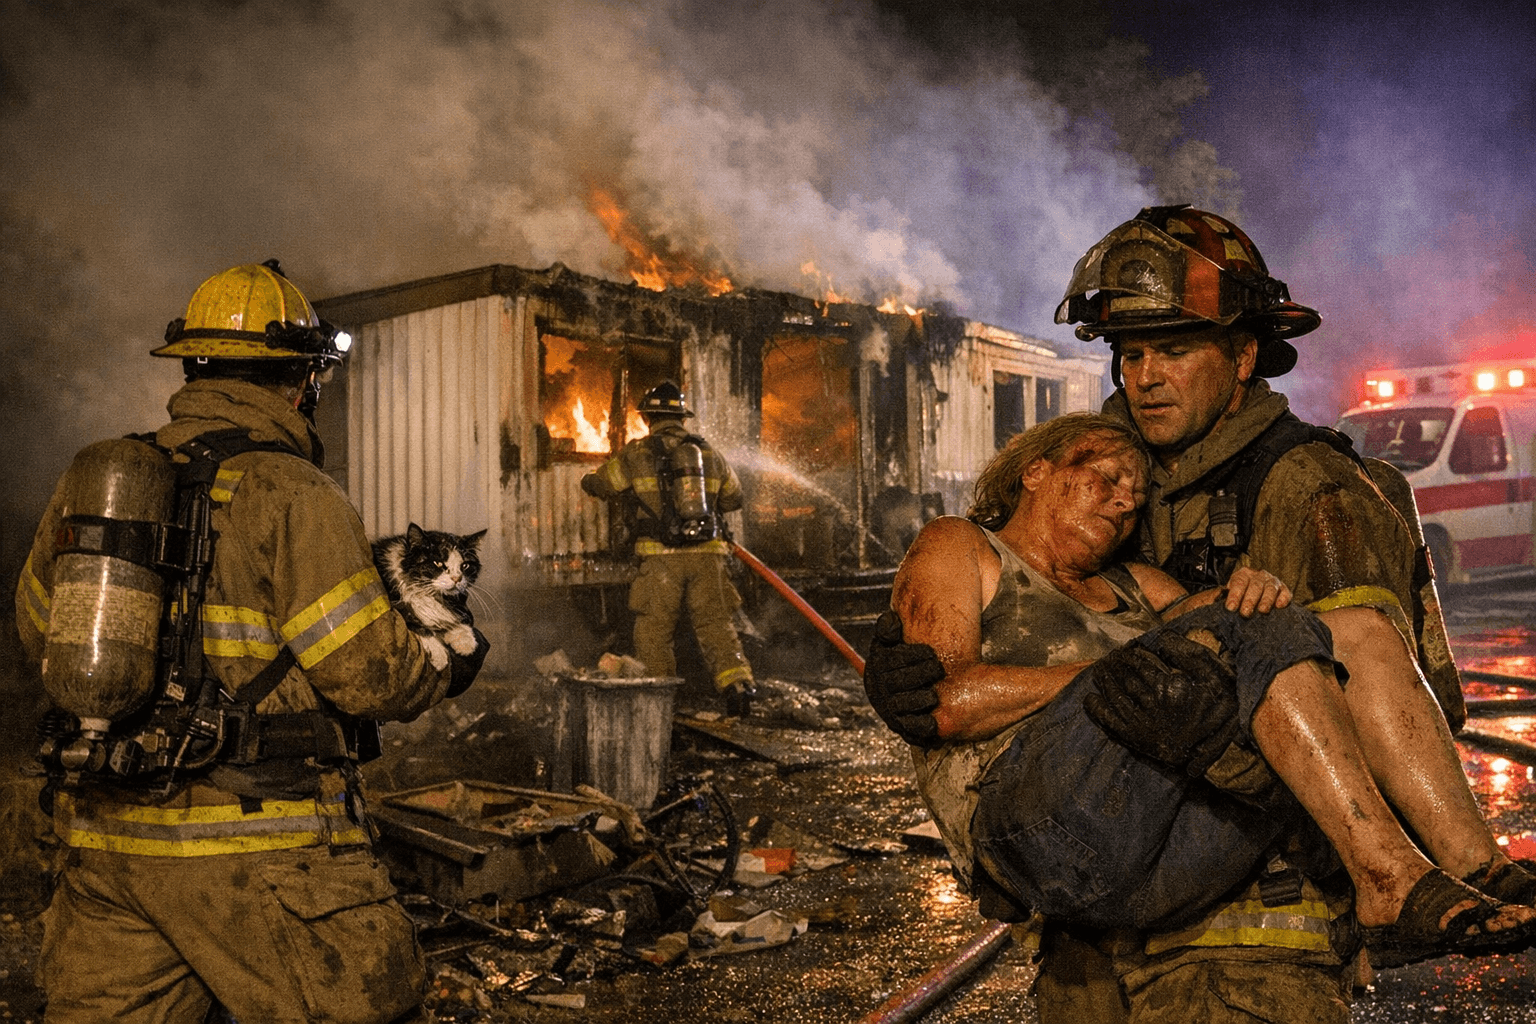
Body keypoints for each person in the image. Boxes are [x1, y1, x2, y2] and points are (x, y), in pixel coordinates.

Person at [866, 205, 1534, 1022]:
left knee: (1304, 629)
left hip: (1250, 932)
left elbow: (1373, 697)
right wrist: (908, 662)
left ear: (1244, 355)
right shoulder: (1107, 465)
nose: (1144, 375)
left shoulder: (1308, 487)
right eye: (1130, 352)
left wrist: (1218, 694)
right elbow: (992, 611)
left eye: (1175, 349)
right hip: (1090, 932)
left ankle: (1454, 869)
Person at [14, 260, 488, 1024]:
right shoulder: (291, 490)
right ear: (303, 381)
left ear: (194, 366)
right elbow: (370, 677)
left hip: (106, 840)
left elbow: (41, 627)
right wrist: (454, 664)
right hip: (260, 844)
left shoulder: (99, 479)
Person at [580, 382, 756, 714]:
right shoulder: (709, 454)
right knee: (717, 625)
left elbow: (604, 484)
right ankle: (739, 689)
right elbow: (735, 498)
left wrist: (587, 479)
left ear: (648, 417)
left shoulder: (637, 452)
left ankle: (659, 705)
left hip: (662, 560)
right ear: (681, 417)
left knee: (654, 630)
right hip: (709, 557)